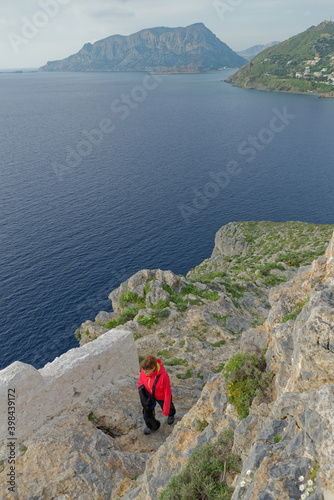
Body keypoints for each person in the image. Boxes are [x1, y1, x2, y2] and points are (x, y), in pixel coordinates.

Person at [137, 354, 176, 435]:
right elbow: (140, 382)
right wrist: (141, 394)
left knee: (168, 406)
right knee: (146, 414)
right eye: (143, 371)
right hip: (149, 395)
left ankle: (171, 414)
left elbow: (167, 392)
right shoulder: (144, 371)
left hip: (161, 396)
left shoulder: (164, 376)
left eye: (147, 371)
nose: (145, 373)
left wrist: (166, 410)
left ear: (153, 368)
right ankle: (153, 426)